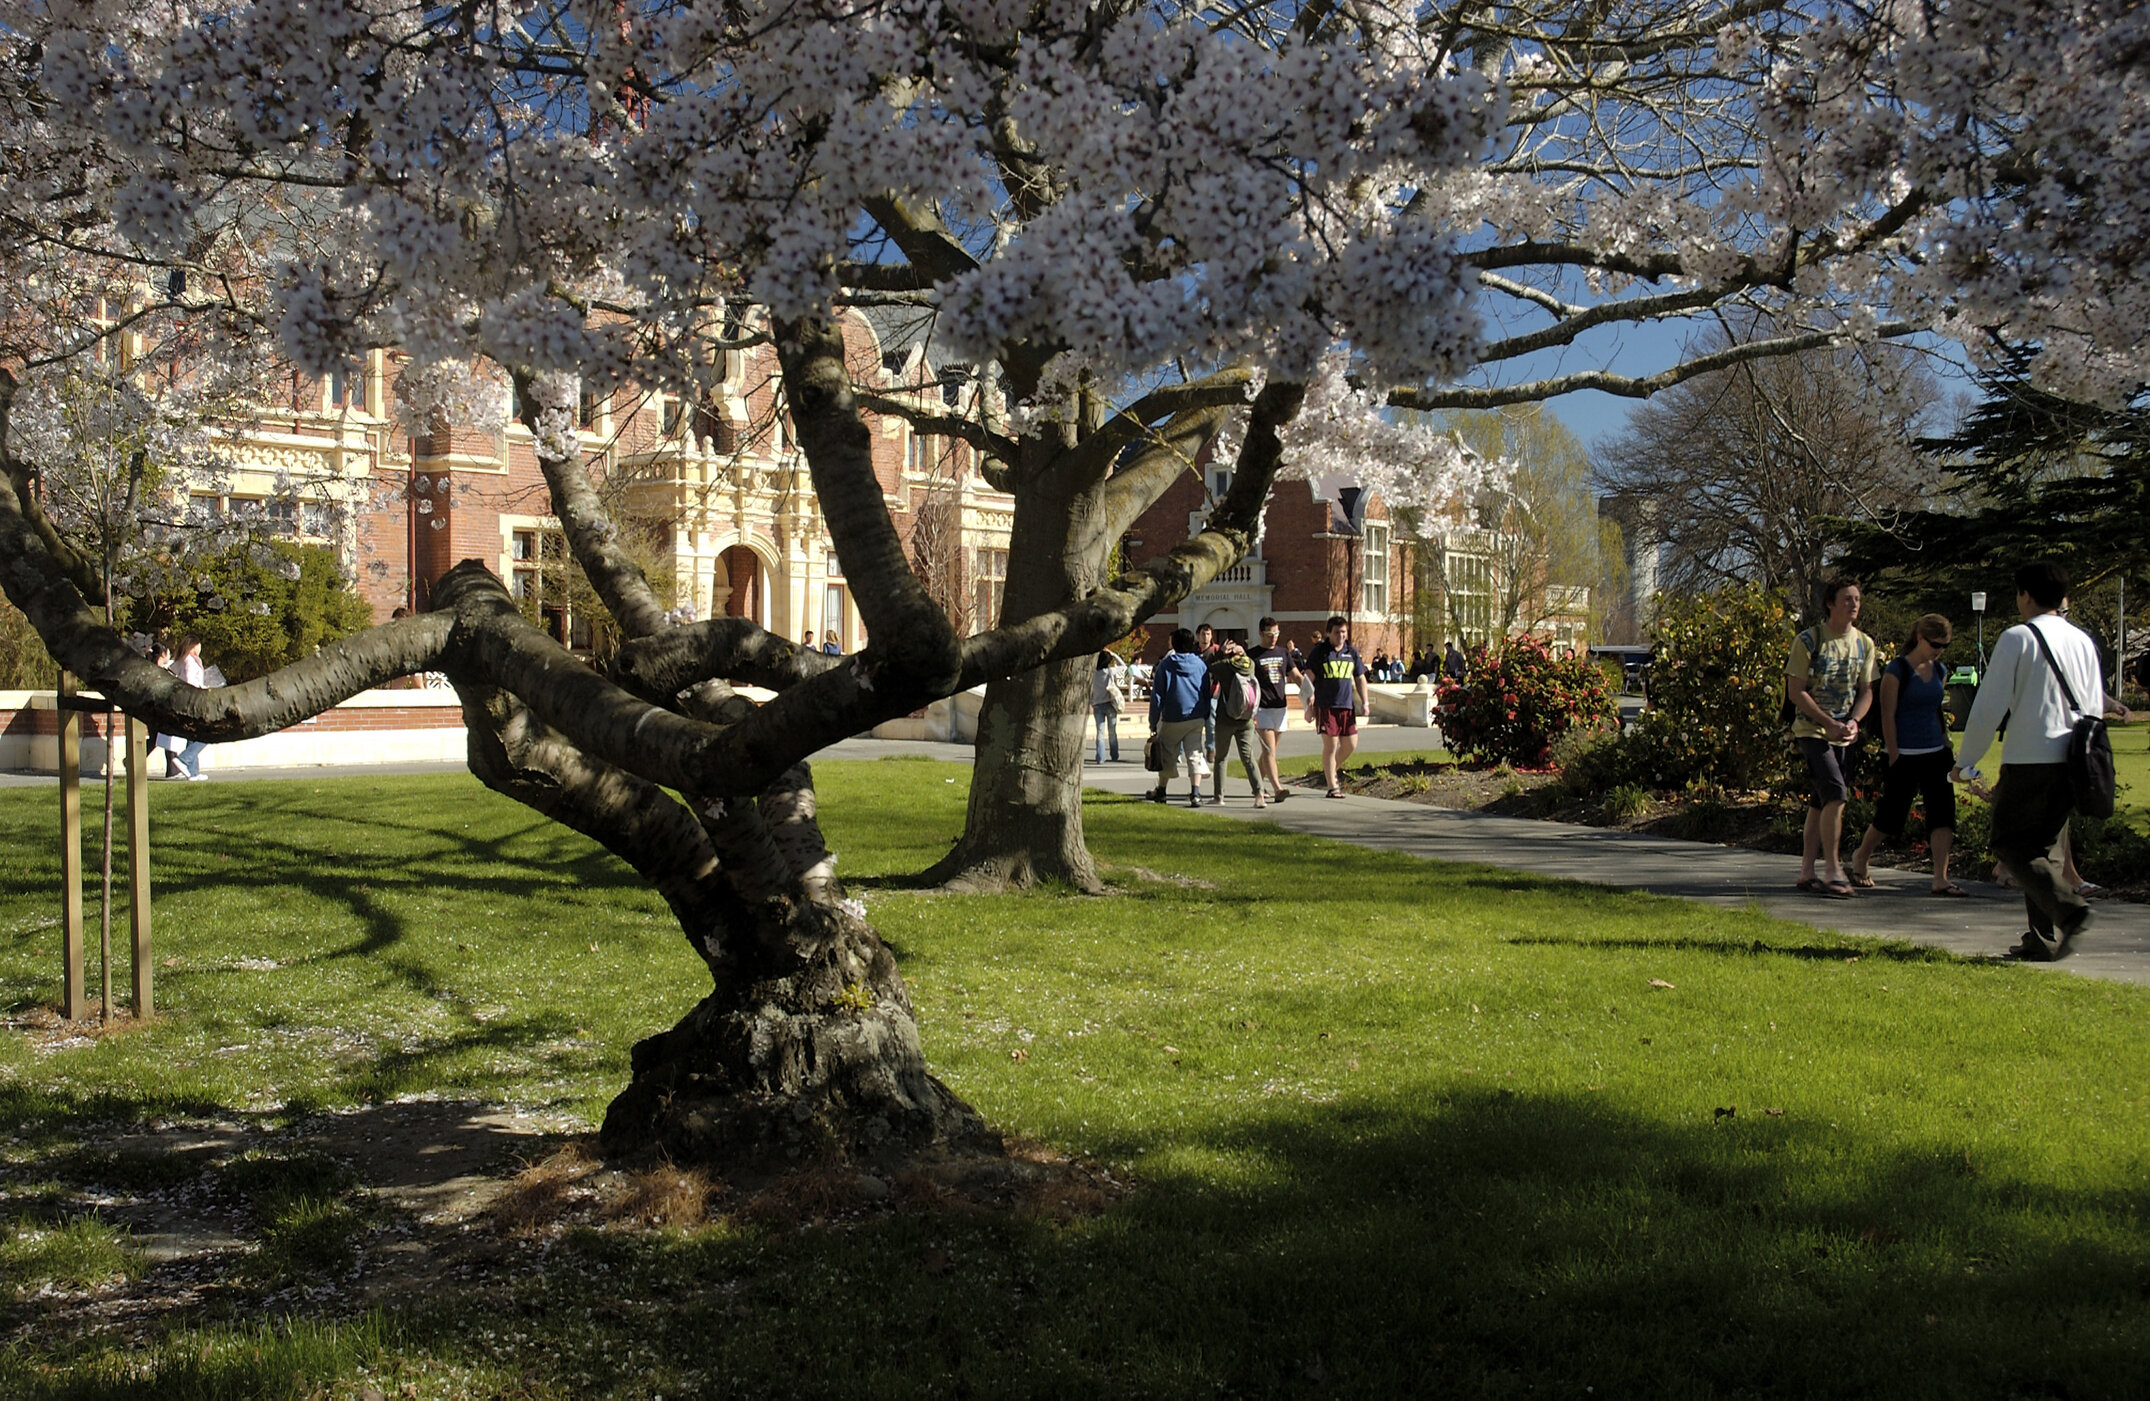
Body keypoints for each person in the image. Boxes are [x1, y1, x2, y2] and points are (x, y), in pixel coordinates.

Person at [1954, 563, 2109, 959]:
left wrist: (1966, 759)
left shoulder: (2017, 638)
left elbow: (1989, 706)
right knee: (2046, 849)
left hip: (2030, 757)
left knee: (2009, 843)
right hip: (2075, 758)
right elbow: (2094, 706)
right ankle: (2041, 939)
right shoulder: (2083, 641)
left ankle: (2068, 911)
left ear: (2025, 595)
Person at [1848, 614, 1963, 896]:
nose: (1939, 650)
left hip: (1936, 751)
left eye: (1945, 645)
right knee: (1891, 816)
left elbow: (1936, 709)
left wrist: (1946, 741)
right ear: (1921, 638)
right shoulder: (1897, 670)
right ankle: (1861, 856)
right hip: (1904, 754)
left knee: (1943, 814)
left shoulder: (1939, 670)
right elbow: (1887, 714)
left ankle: (1940, 878)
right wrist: (1895, 754)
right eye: (1936, 644)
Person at [1786, 577, 1878, 898]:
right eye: (1846, 599)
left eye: (1857, 599)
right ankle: (1833, 870)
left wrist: (1853, 721)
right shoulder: (1810, 641)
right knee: (1836, 794)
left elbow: (1866, 691)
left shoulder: (1864, 644)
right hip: (1812, 730)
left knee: (1820, 801)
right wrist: (1828, 722)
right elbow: (1796, 692)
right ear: (1830, 603)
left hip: (1843, 734)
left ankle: (1806, 871)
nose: (1853, 605)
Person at [1303, 614, 1368, 798]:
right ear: (1328, 633)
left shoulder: (1351, 652)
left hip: (1347, 706)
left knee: (1350, 744)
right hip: (1327, 705)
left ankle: (1329, 771)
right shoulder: (1320, 652)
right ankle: (1333, 786)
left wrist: (1365, 702)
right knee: (1331, 745)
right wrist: (1309, 703)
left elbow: (1360, 678)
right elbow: (1308, 677)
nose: (1341, 635)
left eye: (1344, 632)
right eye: (1337, 632)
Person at [1146, 629, 1211, 807]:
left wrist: (1153, 721)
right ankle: (1195, 793)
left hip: (1172, 716)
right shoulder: (1200, 664)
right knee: (1195, 753)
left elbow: (1157, 696)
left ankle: (1162, 790)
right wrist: (1205, 713)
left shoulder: (1166, 665)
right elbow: (1206, 691)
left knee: (1167, 754)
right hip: (1195, 715)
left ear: (1173, 643)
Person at [1205, 638, 1264, 806]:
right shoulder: (1250, 664)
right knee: (1248, 757)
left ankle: (1219, 797)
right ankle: (1259, 793)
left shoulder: (1225, 667)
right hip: (1246, 719)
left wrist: (1220, 652)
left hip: (1225, 718)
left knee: (1221, 758)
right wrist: (1241, 652)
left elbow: (1209, 665)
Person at [1248, 616, 1299, 804]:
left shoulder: (1284, 653)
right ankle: (1278, 788)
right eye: (1270, 634)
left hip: (1280, 708)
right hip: (1261, 708)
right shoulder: (1252, 655)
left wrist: (1309, 692)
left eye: (1276, 633)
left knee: (1271, 750)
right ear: (1261, 633)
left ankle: (1258, 784)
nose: (1274, 637)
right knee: (1269, 749)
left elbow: (1295, 675)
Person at [163, 635, 210, 780]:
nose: (200, 648)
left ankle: (193, 772)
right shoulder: (189, 661)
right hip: (193, 702)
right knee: (206, 734)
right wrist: (202, 688)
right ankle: (184, 759)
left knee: (192, 735)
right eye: (199, 645)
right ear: (194, 645)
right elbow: (190, 682)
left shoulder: (183, 660)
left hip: (185, 702)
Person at [1091, 651, 1127, 763]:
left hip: (1097, 704)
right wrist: (1115, 654)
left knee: (1100, 732)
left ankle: (1100, 757)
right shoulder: (1110, 672)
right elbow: (1123, 666)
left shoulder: (1093, 673)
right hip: (1110, 703)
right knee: (1112, 732)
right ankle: (1114, 755)